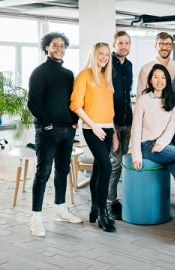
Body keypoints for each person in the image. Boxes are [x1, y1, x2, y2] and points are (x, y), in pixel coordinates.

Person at [28, 32, 82, 237]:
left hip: (68, 130)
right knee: (43, 173)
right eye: (55, 45)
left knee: (62, 170)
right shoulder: (39, 72)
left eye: (62, 46)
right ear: (46, 48)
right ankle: (36, 219)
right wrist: (47, 125)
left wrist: (74, 121)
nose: (59, 49)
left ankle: (60, 210)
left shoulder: (68, 74)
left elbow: (72, 100)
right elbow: (33, 102)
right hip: (47, 131)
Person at [131, 64, 175, 233]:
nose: (160, 81)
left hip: (163, 145)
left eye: (163, 77)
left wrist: (162, 143)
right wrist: (136, 156)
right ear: (150, 79)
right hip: (147, 145)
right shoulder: (143, 100)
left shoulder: (171, 100)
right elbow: (136, 129)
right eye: (156, 77)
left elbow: (171, 128)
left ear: (167, 80)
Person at [70, 42, 119, 233]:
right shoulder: (84, 75)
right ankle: (102, 214)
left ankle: (93, 210)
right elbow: (76, 105)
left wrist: (113, 133)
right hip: (92, 129)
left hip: (107, 129)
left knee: (99, 169)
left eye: (107, 55)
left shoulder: (106, 78)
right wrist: (93, 126)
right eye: (101, 54)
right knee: (106, 168)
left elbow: (109, 110)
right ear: (94, 54)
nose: (104, 57)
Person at [107, 31, 133, 221]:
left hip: (127, 120)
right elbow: (107, 96)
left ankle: (119, 199)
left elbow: (128, 93)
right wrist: (112, 127)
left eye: (127, 43)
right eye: (120, 43)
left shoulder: (129, 65)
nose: (124, 46)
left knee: (123, 163)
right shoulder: (108, 64)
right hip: (113, 122)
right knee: (115, 164)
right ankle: (110, 203)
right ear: (114, 44)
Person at [137, 32, 175, 97]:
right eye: (161, 44)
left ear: (172, 47)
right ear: (156, 46)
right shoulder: (145, 69)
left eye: (168, 44)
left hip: (172, 106)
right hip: (150, 106)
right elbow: (140, 96)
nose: (164, 47)